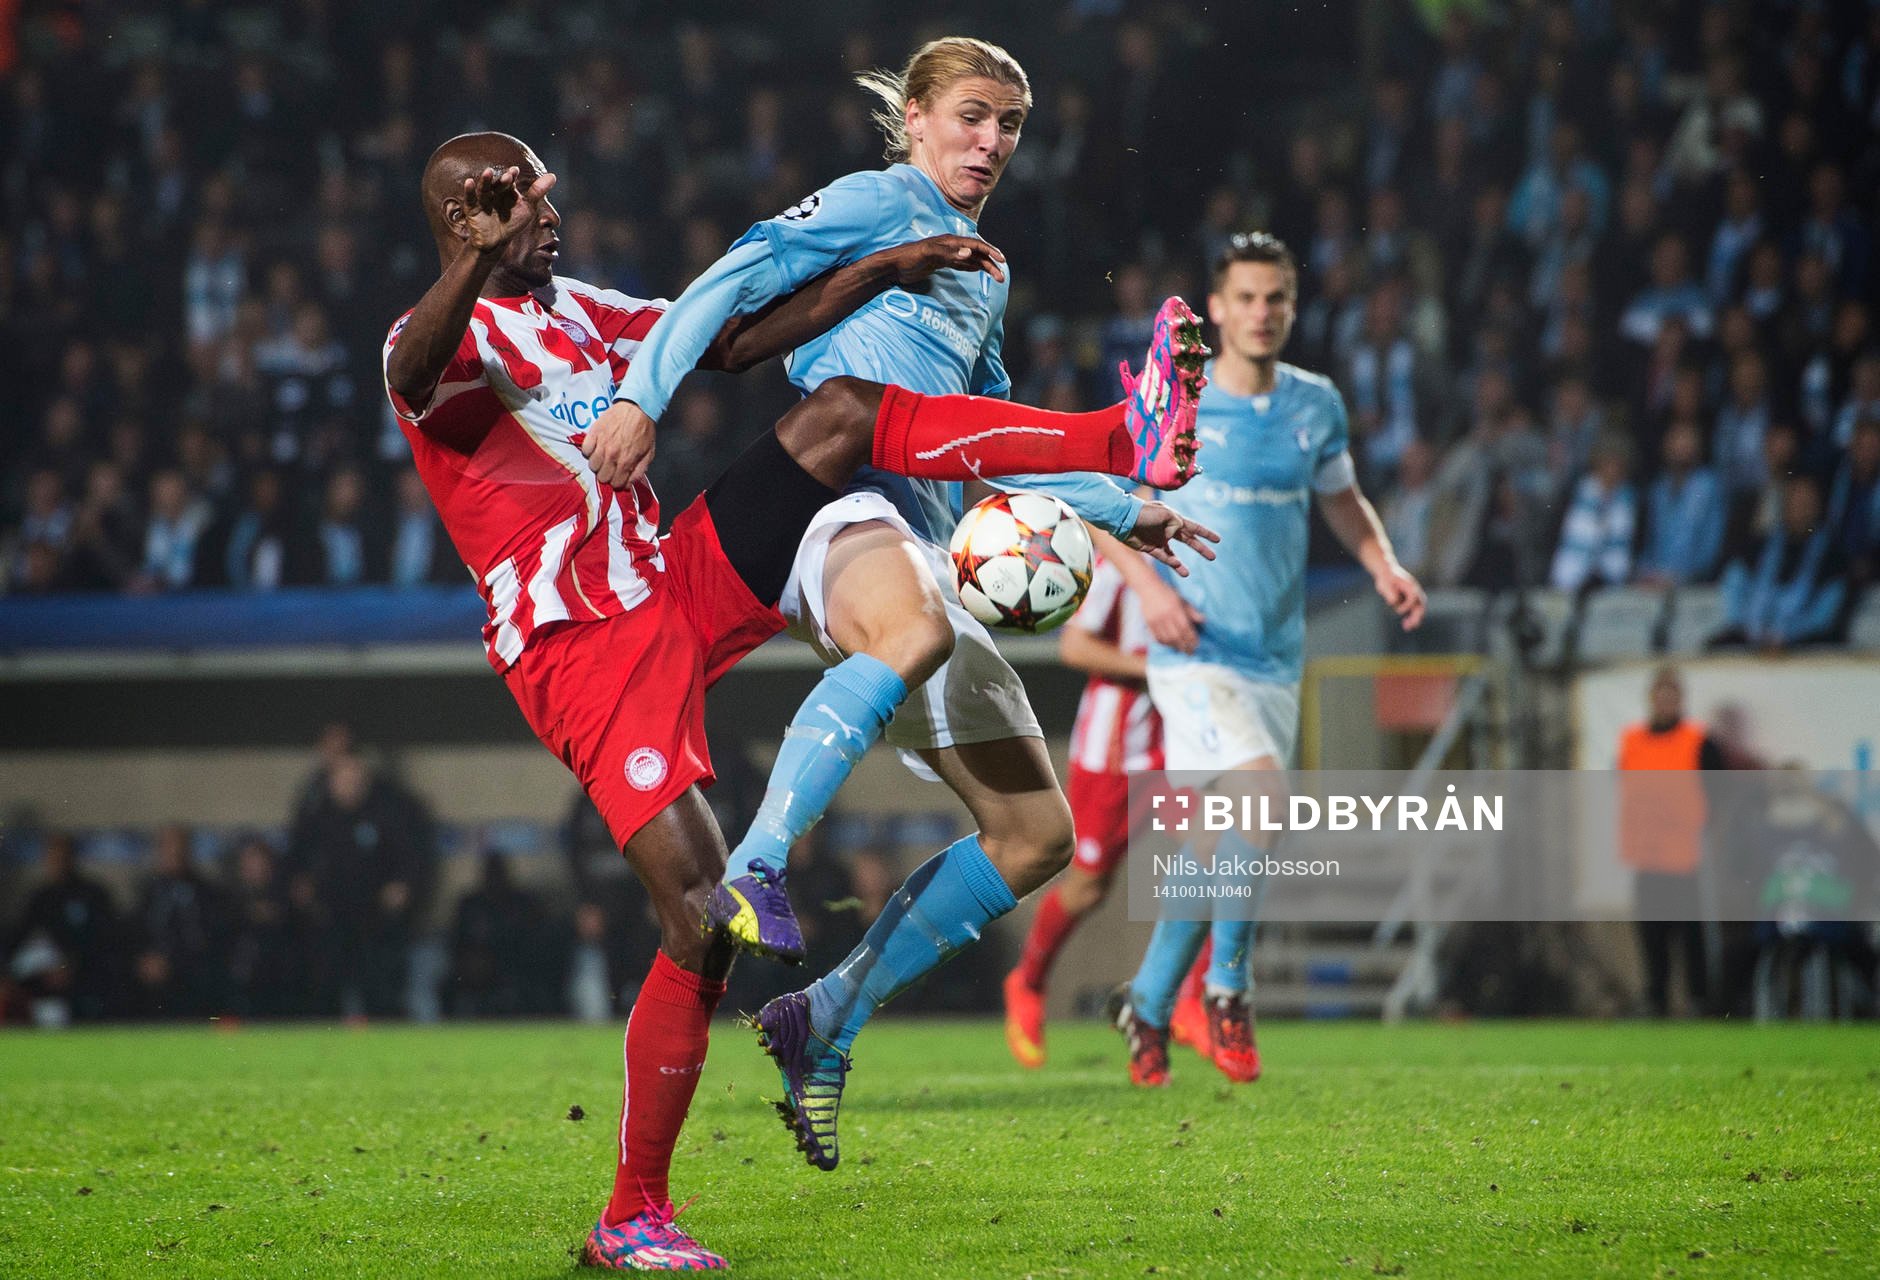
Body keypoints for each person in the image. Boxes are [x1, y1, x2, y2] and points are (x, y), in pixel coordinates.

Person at [382, 130, 1208, 1270]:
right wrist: (475, 260)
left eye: (544, 196)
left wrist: (880, 268)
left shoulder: (581, 309)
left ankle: (1121, 434)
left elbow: (728, 340)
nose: (549, 213)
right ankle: (630, 1213)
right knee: (695, 915)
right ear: (466, 216)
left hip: (670, 579)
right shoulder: (442, 334)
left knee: (845, 412)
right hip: (579, 643)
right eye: (523, 201)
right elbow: (412, 379)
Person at [598, 38, 1214, 1174]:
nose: (991, 142)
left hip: (924, 538)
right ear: (917, 116)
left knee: (1037, 835)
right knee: (916, 625)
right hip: (835, 504)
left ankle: (824, 1016)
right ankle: (759, 862)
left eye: (1010, 125)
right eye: (972, 116)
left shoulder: (986, 271)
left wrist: (1124, 510)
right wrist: (644, 394)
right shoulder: (880, 203)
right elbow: (732, 279)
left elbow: (986, 447)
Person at [1106, 232, 1426, 1087]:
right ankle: (1230, 989)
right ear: (1215, 309)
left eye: (1275, 297)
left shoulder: (1316, 405)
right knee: (1263, 795)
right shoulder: (1175, 399)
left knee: (1214, 842)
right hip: (1193, 649)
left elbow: (1342, 500)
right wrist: (1149, 593)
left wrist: (1384, 565)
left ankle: (1146, 1002)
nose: (1261, 312)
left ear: (1292, 305)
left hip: (1274, 657)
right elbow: (1107, 507)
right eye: (1246, 297)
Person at [1001, 552, 1160, 1067]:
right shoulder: (1122, 568)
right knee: (1089, 886)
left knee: (1218, 855)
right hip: (1115, 750)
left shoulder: (1209, 561)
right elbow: (1075, 644)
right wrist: (1159, 670)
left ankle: (1186, 1000)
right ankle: (1028, 981)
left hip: (1183, 739)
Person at [1616, 665, 1725, 1018]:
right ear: (1651, 699)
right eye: (1660, 697)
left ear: (1681, 700)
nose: (1665, 704)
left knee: (1691, 934)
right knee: (1651, 934)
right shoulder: (1632, 741)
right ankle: (1656, 1000)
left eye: (1671, 697)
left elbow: (1719, 794)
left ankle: (1699, 1000)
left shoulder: (1698, 741)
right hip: (1646, 853)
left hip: (1686, 854)